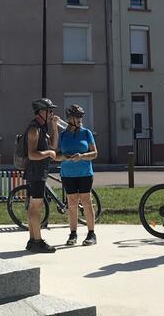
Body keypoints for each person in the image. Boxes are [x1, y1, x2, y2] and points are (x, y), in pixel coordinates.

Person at [56, 103, 98, 246]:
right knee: (72, 204)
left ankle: (91, 234)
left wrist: (81, 156)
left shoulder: (86, 133)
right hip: (68, 174)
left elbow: (95, 153)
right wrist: (65, 157)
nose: (80, 119)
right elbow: (56, 155)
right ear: (69, 118)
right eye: (77, 117)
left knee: (86, 201)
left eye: (81, 117)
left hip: (85, 173)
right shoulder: (63, 135)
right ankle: (73, 234)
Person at [24, 97, 61, 253]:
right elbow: (32, 154)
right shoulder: (34, 129)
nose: (51, 113)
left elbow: (53, 146)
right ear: (40, 112)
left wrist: (54, 127)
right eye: (49, 111)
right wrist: (48, 153)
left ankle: (32, 240)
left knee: (34, 206)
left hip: (40, 172)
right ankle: (37, 240)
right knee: (35, 207)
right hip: (35, 173)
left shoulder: (43, 128)